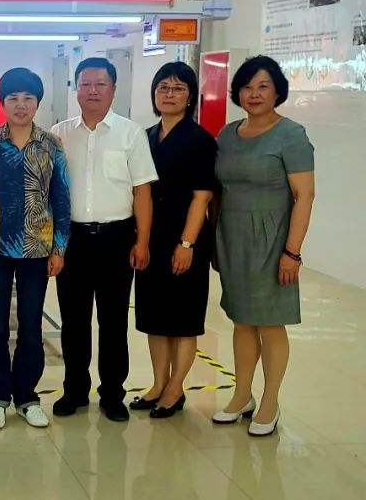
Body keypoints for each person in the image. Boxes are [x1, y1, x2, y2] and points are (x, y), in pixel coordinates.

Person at [211, 56, 315, 437]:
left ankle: (270, 401)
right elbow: (218, 191)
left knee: (270, 323)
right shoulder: (227, 135)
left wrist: (292, 252)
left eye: (263, 86)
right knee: (242, 320)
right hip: (232, 236)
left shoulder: (291, 134)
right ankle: (242, 395)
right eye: (247, 87)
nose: (254, 94)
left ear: (277, 92)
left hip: (273, 240)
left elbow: (304, 196)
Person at [50, 57, 158, 423]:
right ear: (75, 89)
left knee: (113, 321)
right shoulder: (59, 134)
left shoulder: (131, 134)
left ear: (113, 89)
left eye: (100, 84)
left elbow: (142, 192)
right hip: (73, 240)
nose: (92, 91)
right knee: (74, 320)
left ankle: (112, 394)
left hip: (117, 239)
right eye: (85, 84)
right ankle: (74, 390)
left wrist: (142, 242)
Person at [0, 68, 70, 431]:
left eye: (28, 98)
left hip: (38, 250)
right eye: (13, 98)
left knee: (30, 325)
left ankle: (27, 397)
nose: (21, 105)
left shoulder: (52, 144)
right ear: (3, 102)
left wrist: (59, 248)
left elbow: (61, 197)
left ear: (37, 103)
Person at [130, 62, 217, 419]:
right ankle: (158, 383)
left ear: (191, 96)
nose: (169, 94)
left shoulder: (200, 140)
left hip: (185, 238)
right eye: (163, 87)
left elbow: (202, 196)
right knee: (155, 316)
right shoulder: (145, 137)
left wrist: (186, 245)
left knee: (182, 318)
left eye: (178, 88)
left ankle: (176, 388)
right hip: (151, 237)